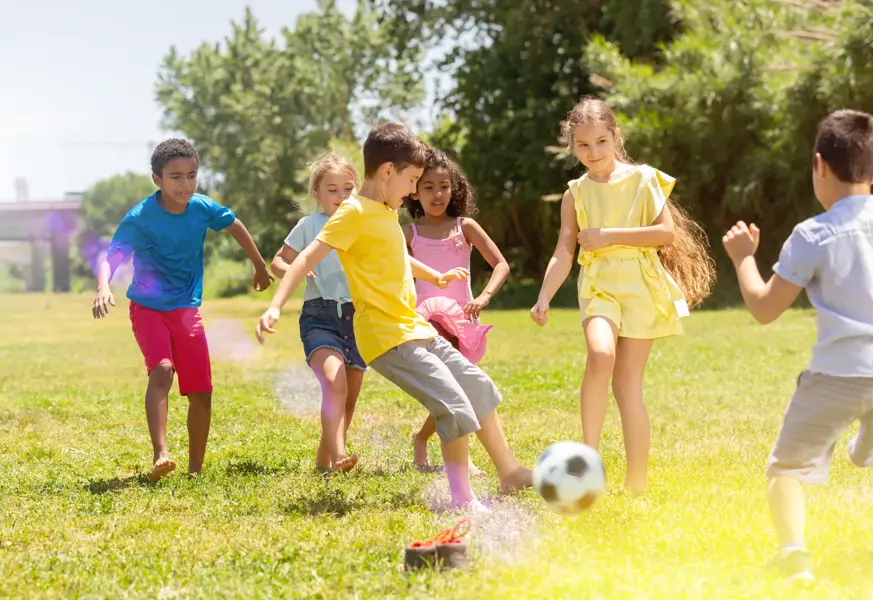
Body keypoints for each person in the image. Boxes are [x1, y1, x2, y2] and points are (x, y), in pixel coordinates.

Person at [255, 123, 533, 511]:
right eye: (413, 180)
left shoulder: (385, 211)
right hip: (386, 336)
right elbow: (305, 257)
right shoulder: (352, 213)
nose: (413, 190)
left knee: (477, 385)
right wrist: (275, 305)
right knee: (452, 404)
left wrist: (433, 275)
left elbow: (395, 257)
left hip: (413, 327)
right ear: (388, 171)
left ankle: (509, 471)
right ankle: (462, 497)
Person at [722, 109, 873, 583]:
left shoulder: (814, 233)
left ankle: (794, 558)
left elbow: (764, 308)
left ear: (819, 165)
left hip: (844, 371)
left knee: (787, 465)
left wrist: (743, 259)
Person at [530, 97, 714, 494]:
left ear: (616, 136)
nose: (593, 152)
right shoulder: (575, 193)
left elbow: (664, 233)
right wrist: (544, 297)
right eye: (583, 145)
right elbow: (564, 250)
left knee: (627, 386)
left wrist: (606, 235)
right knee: (600, 354)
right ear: (572, 146)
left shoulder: (645, 179)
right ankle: (586, 463)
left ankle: (637, 483)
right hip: (599, 285)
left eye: (600, 141)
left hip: (641, 285)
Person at [92, 138, 273, 481]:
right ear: (157, 179)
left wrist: (260, 266)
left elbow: (234, 225)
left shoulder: (202, 207)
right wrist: (103, 287)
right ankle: (161, 454)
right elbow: (110, 258)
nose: (185, 184)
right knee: (162, 369)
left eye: (192, 175)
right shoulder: (140, 217)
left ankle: (195, 471)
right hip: (148, 308)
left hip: (187, 310)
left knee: (201, 391)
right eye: (176, 177)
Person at [403, 148, 510, 476]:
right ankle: (462, 455)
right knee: (451, 388)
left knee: (458, 388)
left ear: (455, 189)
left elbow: (501, 264)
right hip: (426, 323)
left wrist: (483, 296)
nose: (437, 194)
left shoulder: (466, 227)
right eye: (429, 187)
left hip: (461, 321)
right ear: (415, 192)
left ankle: (421, 437)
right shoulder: (409, 233)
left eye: (444, 186)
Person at [271, 151, 364, 472]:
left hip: (360, 318)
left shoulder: (363, 223)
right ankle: (340, 454)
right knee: (334, 383)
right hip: (320, 316)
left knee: (348, 399)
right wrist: (295, 270)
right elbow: (279, 260)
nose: (341, 196)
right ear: (317, 194)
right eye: (332, 190)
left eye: (348, 189)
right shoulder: (309, 225)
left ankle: (325, 461)